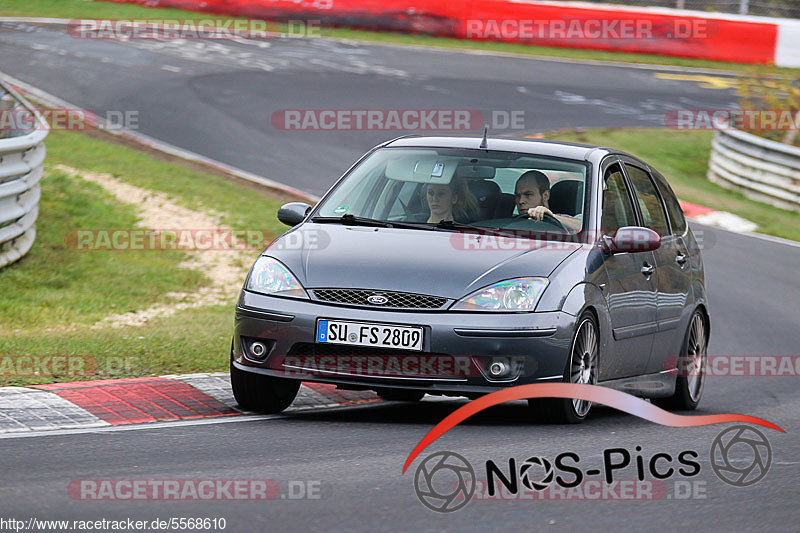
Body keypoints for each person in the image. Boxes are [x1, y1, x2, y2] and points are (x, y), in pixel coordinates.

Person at [514, 170, 581, 231]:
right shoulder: (509, 221)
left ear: (545, 196)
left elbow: (583, 225)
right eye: (517, 196)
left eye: (528, 194)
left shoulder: (563, 220)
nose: (521, 201)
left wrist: (552, 217)